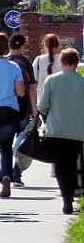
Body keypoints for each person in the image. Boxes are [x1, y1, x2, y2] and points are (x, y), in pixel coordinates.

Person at [35, 48, 84, 213]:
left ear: (61, 62)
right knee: (71, 163)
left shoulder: (52, 80)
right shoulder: (82, 82)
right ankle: (70, 195)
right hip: (77, 132)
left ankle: (66, 198)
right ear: (76, 63)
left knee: (60, 165)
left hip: (55, 130)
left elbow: (42, 105)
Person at [0, 33, 26, 198]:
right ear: (6, 48)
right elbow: (21, 92)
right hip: (9, 111)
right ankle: (7, 176)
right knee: (6, 147)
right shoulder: (14, 67)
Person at [7, 33, 37, 185]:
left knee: (5, 141)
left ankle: (4, 173)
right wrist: (35, 110)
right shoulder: (25, 63)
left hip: (6, 106)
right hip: (23, 106)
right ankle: (16, 174)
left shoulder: (4, 61)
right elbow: (32, 88)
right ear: (22, 46)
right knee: (21, 142)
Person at [32, 33, 62, 112]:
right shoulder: (63, 60)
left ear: (45, 45)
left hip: (42, 100)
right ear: (58, 44)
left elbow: (34, 84)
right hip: (60, 99)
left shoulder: (38, 60)